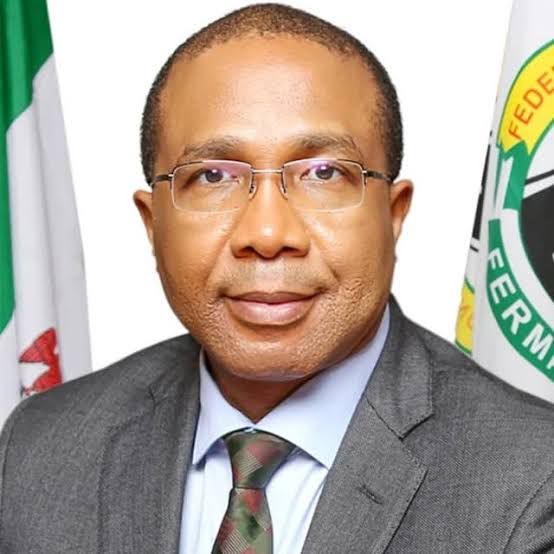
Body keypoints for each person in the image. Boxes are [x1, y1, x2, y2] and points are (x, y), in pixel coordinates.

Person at [1, 3, 554, 553]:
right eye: (212, 176)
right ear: (153, 223)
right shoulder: (41, 448)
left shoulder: (534, 478)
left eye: (324, 173)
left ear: (394, 215)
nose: (267, 233)